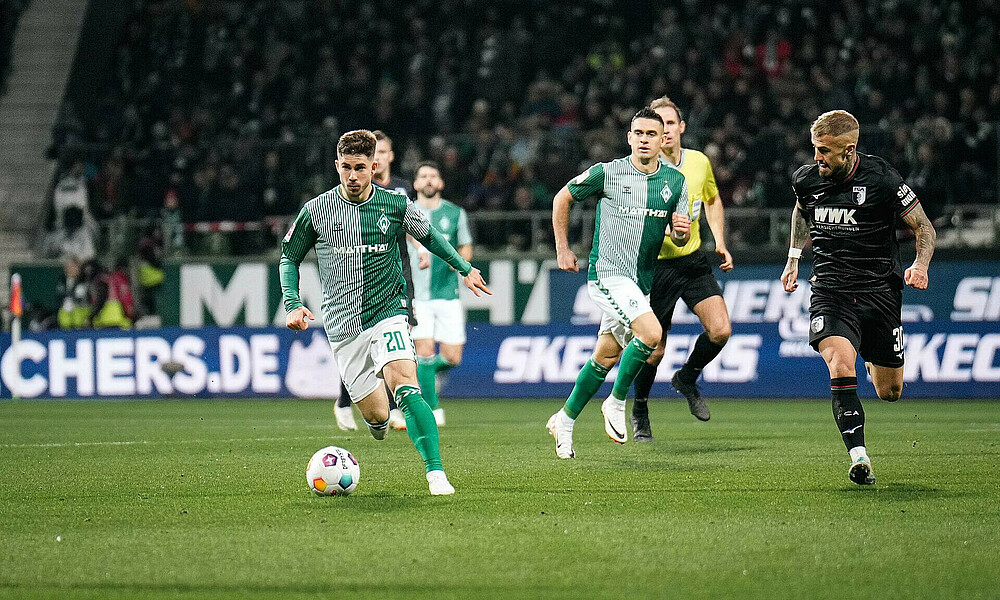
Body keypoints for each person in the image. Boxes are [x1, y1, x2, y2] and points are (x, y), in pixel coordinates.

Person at [280, 129, 490, 495]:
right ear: (337, 166)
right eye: (346, 167)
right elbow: (289, 258)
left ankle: (436, 473)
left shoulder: (394, 204)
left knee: (406, 387)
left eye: (360, 168)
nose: (353, 176)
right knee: (378, 415)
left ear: (373, 166)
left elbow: (431, 237)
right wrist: (293, 302)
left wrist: (464, 268)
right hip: (343, 327)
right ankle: (378, 422)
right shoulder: (316, 210)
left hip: (389, 313)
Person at [781, 110, 936, 485]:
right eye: (814, 149)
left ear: (849, 150)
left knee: (890, 391)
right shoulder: (806, 179)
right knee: (838, 361)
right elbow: (802, 212)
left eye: (824, 151)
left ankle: (870, 355)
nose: (817, 158)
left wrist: (920, 265)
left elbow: (924, 228)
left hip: (879, 292)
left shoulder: (882, 178)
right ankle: (859, 456)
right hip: (830, 290)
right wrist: (793, 258)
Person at [547, 107, 689, 459]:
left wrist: (682, 234)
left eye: (651, 134)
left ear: (663, 140)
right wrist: (563, 249)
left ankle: (563, 420)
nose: (644, 139)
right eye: (638, 133)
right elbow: (562, 198)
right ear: (629, 138)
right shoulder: (608, 173)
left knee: (606, 355)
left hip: (641, 282)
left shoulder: (676, 183)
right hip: (608, 274)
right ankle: (615, 401)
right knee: (652, 335)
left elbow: (680, 235)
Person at [629, 97, 734, 440]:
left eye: (670, 123)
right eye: (658, 125)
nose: (665, 130)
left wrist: (719, 239)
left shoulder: (699, 162)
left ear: (680, 128)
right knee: (654, 349)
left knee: (720, 330)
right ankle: (640, 406)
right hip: (656, 267)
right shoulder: (644, 170)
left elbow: (712, 199)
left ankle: (687, 376)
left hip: (691, 261)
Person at [333, 130, 413, 432]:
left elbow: (416, 225)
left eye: (382, 152)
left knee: (398, 343)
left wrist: (421, 251)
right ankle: (345, 400)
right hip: (361, 278)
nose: (377, 156)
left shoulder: (401, 191)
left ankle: (395, 407)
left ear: (388, 157)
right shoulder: (349, 194)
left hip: (399, 269)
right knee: (362, 349)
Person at [406, 161, 473, 426]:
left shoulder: (455, 213)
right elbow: (408, 235)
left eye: (433, 176)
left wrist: (458, 263)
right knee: (424, 350)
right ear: (416, 184)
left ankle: (424, 374)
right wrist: (422, 249)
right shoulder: (407, 211)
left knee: (452, 357)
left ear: (441, 183)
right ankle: (432, 410)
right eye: (423, 176)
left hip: (448, 295)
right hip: (417, 296)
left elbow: (465, 246)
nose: (428, 180)